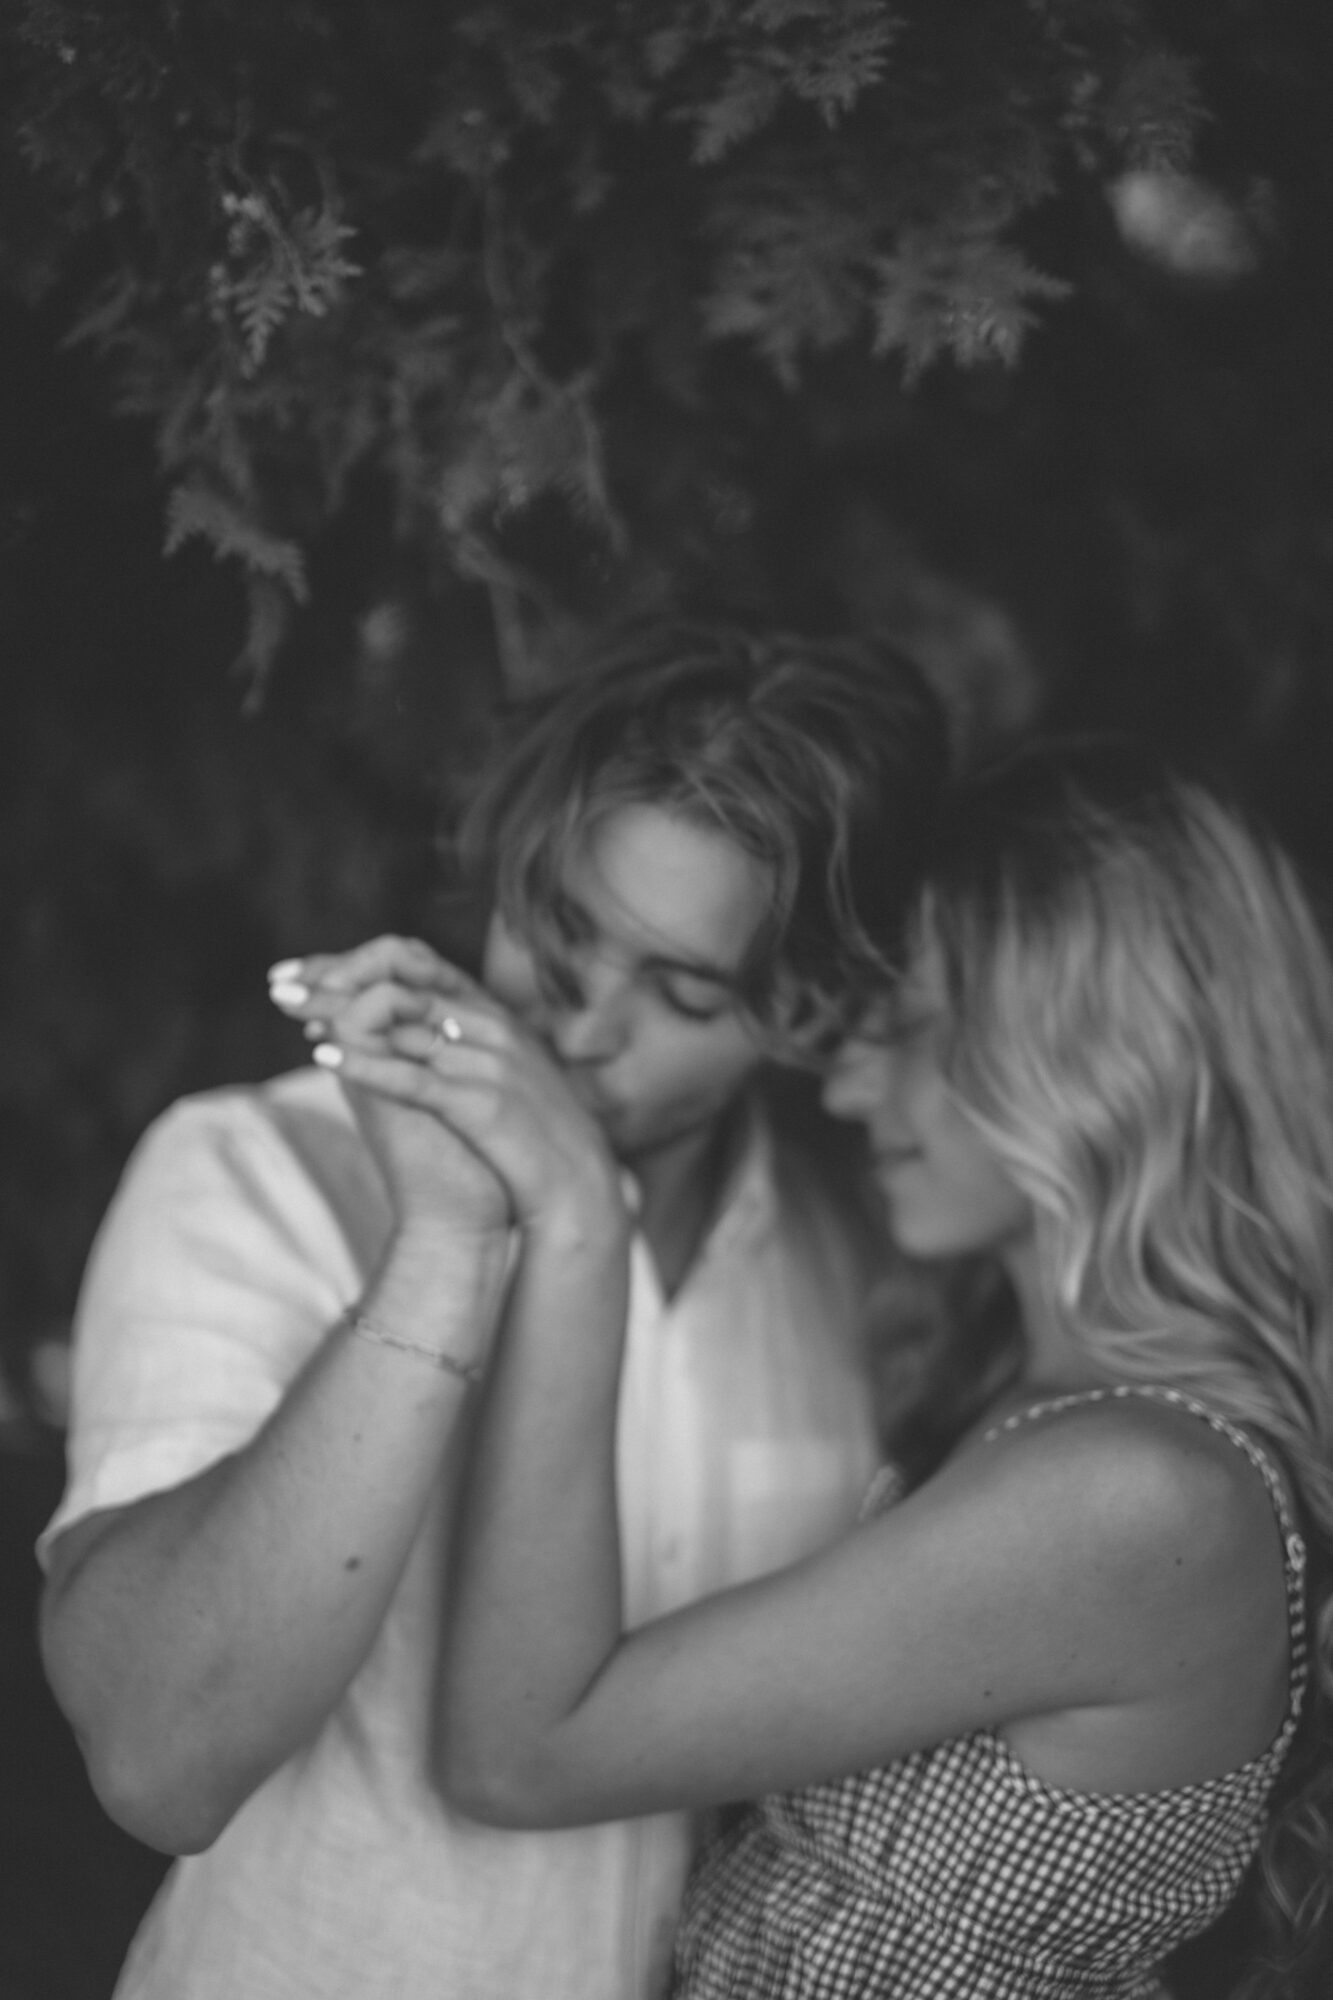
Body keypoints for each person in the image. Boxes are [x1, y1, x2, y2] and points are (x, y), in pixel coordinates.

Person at [331, 739, 1333, 1999]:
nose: (848, 1084)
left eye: (907, 1031)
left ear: (1097, 1057)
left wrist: (577, 1211)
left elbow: (522, 1753)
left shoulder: (1133, 1490)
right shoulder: (1032, 1413)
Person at [37, 623, 949, 2000]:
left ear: (808, 1011)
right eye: (559, 933)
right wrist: (450, 1243)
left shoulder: (863, 1261)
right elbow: (161, 1760)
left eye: (686, 993)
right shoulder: (250, 1171)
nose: (580, 1030)